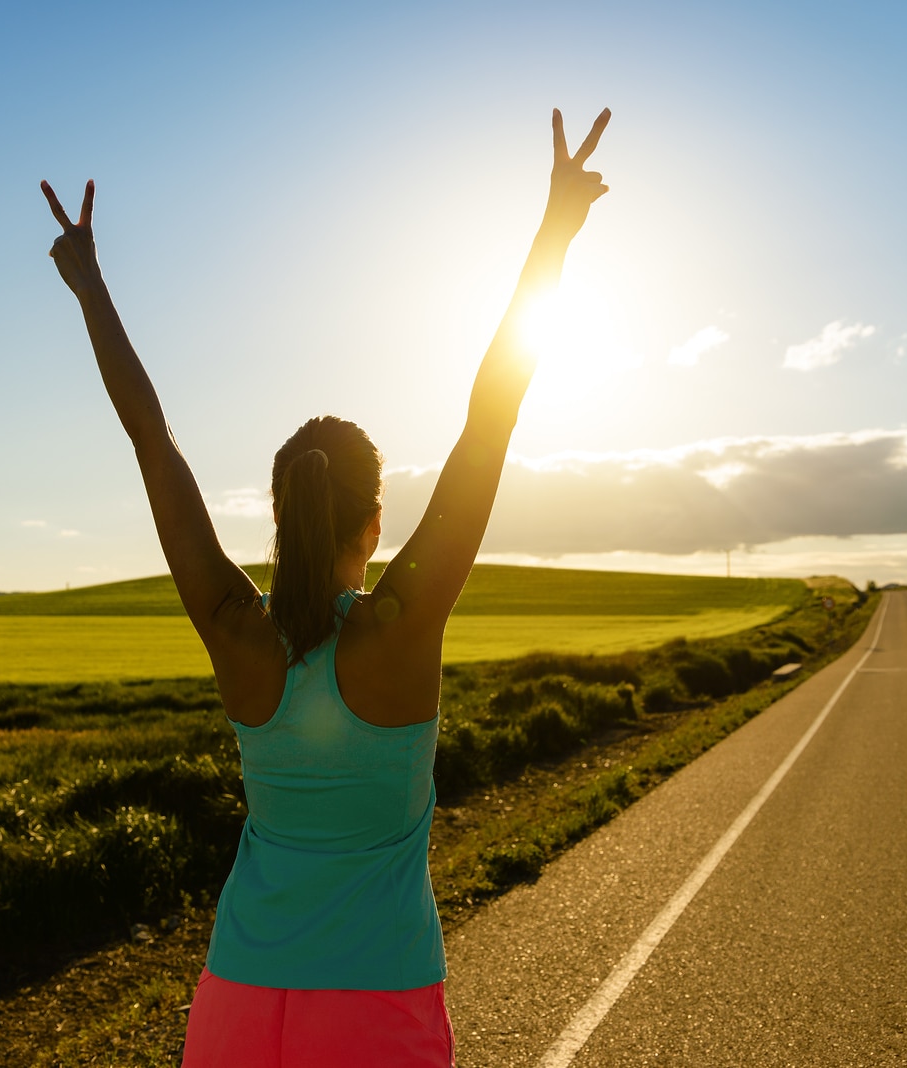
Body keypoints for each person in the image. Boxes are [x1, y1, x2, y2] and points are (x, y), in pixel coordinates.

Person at [41, 105, 611, 1068]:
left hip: (236, 1003)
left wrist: (89, 286)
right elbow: (490, 422)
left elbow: (152, 439)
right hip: (373, 1008)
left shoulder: (238, 633)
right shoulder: (398, 629)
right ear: (376, 523)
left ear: (278, 516)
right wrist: (554, 234)